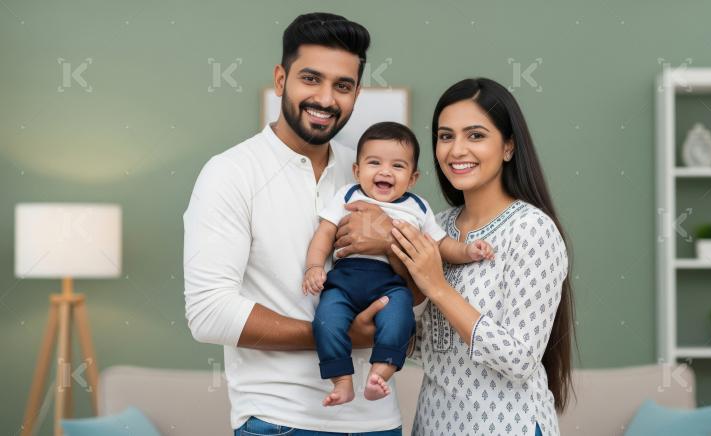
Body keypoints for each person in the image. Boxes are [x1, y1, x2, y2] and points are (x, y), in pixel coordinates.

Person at [183, 13, 408, 435]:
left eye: (342, 86)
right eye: (311, 78)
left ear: (357, 94)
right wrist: (339, 334)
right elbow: (209, 314)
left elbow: (414, 293)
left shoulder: (369, 173)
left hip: (380, 423)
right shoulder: (230, 173)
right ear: (281, 79)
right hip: (281, 421)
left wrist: (391, 249)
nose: (325, 98)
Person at [386, 78, 576, 436]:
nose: (457, 150)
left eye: (475, 135)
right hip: (433, 425)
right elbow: (420, 348)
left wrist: (438, 287)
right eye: (446, 136)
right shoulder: (436, 227)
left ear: (508, 146)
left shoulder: (531, 229)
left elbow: (519, 360)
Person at [303, 122, 493, 407]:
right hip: (343, 282)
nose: (385, 171)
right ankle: (341, 380)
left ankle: (380, 372)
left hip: (391, 285)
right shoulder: (348, 195)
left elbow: (441, 245)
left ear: (412, 178)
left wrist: (467, 250)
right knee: (326, 320)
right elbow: (325, 233)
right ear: (357, 170)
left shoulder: (417, 207)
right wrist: (314, 267)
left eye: (398, 166)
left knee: (400, 320)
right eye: (374, 163)